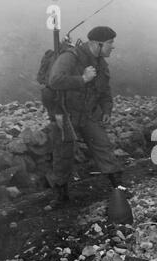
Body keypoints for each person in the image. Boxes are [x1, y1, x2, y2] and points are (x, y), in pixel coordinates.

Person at [47, 26, 123, 206]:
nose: (113, 47)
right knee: (63, 155)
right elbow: (54, 80)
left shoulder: (101, 63)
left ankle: (119, 189)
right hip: (66, 114)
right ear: (98, 44)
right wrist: (82, 79)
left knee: (103, 146)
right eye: (110, 43)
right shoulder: (70, 57)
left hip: (87, 114)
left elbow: (105, 91)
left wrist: (106, 110)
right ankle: (60, 197)